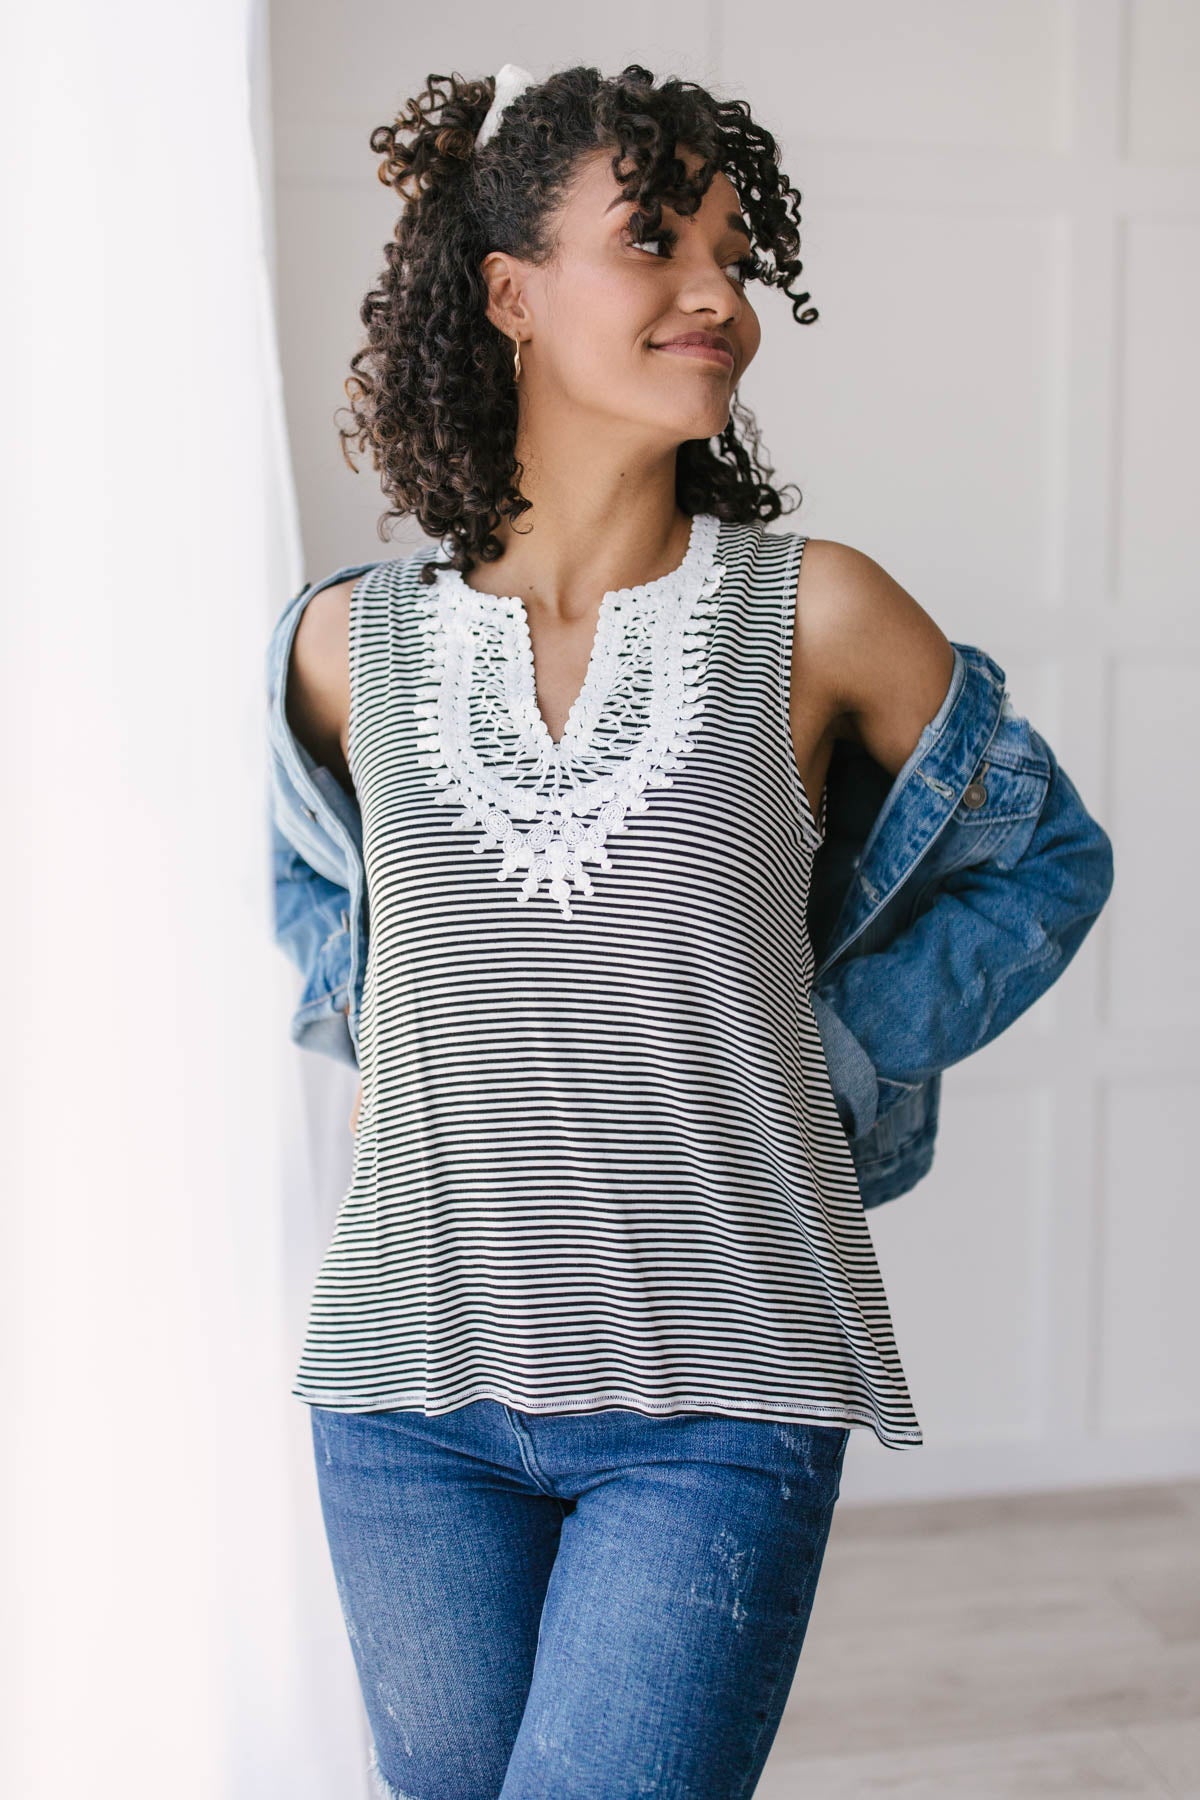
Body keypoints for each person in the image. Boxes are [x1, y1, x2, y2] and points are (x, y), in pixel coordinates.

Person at [273, 61, 1032, 1799]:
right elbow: (322, 901)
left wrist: (828, 1052)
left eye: (736, 253)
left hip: (717, 1395)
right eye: (656, 244)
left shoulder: (817, 611)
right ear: (510, 292)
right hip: (403, 1400)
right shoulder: (345, 645)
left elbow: (1034, 855)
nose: (722, 297)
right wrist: (403, 1042)